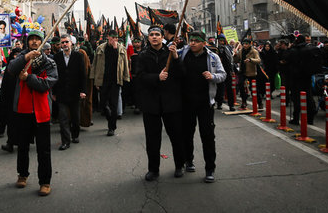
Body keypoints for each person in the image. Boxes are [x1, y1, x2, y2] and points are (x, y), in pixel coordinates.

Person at [6, 29, 57, 197]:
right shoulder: (21, 59)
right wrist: (26, 57)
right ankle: (22, 174)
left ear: (42, 42)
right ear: (27, 42)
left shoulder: (49, 63)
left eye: (37, 39)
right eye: (32, 39)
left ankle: (45, 181)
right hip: (22, 109)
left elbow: (46, 84)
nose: (34, 42)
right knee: (22, 146)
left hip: (41, 111)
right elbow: (11, 69)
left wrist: (28, 78)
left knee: (44, 149)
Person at [134, 26, 185, 181]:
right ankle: (153, 169)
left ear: (163, 37)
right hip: (151, 104)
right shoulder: (142, 56)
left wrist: (176, 57)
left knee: (176, 136)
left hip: (171, 103)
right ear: (148, 38)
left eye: (157, 34)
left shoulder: (170, 53)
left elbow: (182, 74)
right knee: (152, 139)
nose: (154, 37)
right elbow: (139, 77)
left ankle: (179, 165)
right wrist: (157, 77)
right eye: (151, 35)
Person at [179, 31, 226, 183]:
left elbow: (222, 74)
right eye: (191, 40)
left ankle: (210, 168)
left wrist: (212, 77)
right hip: (186, 103)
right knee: (187, 134)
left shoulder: (213, 57)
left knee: (207, 136)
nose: (193, 43)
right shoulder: (182, 53)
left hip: (205, 103)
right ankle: (188, 160)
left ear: (204, 43)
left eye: (196, 41)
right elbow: (169, 54)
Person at [91, 30, 130, 136]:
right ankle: (110, 120)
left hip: (116, 81)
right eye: (112, 37)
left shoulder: (121, 49)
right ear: (108, 37)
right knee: (103, 104)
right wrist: (95, 80)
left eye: (116, 37)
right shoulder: (100, 48)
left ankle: (112, 127)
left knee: (114, 104)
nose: (114, 39)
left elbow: (125, 64)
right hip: (103, 80)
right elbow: (95, 64)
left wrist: (126, 78)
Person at [52, 34, 86, 150]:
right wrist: (54, 92)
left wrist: (83, 91)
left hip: (75, 92)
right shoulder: (56, 57)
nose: (64, 44)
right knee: (63, 118)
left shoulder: (78, 56)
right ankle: (65, 141)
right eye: (62, 43)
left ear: (71, 43)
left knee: (75, 117)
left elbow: (83, 75)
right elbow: (54, 76)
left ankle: (75, 135)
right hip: (61, 93)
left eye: (66, 42)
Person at [233, 39, 262, 110]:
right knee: (240, 85)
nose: (245, 45)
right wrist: (235, 55)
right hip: (242, 71)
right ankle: (244, 102)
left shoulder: (254, 51)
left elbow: (258, 60)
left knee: (254, 89)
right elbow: (236, 60)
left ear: (250, 44)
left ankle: (259, 103)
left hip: (251, 72)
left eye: (246, 44)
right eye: (244, 44)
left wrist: (250, 60)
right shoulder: (241, 51)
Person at [215, 34, 235, 111]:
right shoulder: (215, 49)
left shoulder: (227, 49)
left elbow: (231, 60)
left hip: (227, 70)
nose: (221, 42)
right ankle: (219, 103)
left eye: (222, 41)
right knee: (219, 88)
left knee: (229, 88)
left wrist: (232, 70)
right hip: (219, 71)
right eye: (220, 41)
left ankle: (231, 105)